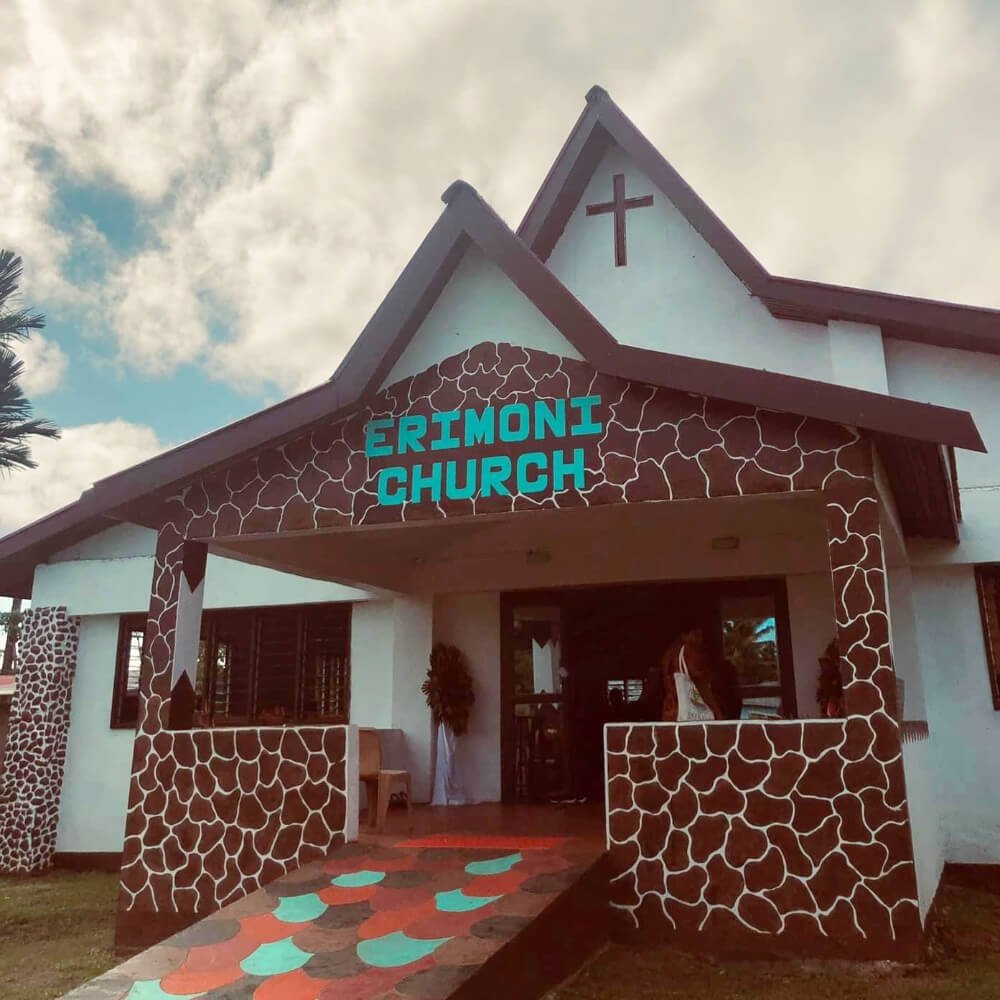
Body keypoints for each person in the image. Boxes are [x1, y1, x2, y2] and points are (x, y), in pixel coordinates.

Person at [660, 622, 722, 721]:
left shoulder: (669, 655)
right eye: (696, 635)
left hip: (672, 709)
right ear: (684, 636)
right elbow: (701, 685)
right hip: (689, 713)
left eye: (701, 636)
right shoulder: (691, 652)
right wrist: (717, 712)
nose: (700, 640)